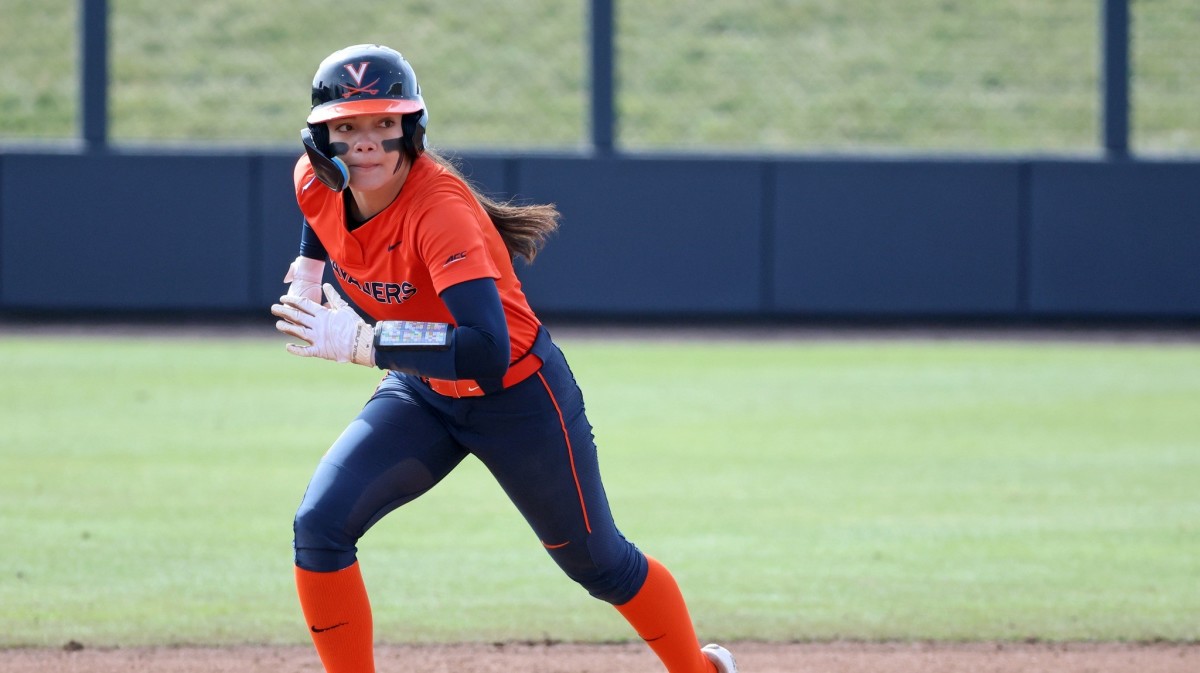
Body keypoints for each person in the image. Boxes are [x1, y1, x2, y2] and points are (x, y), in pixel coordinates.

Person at [270, 44, 738, 673]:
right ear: (320, 139)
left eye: (385, 123)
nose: (368, 142)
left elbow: (487, 351)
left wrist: (362, 343)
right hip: (424, 393)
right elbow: (316, 216)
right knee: (319, 526)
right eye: (347, 127)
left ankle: (700, 670)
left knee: (599, 564)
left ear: (413, 127)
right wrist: (308, 269)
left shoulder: (439, 211)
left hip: (518, 397)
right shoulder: (312, 181)